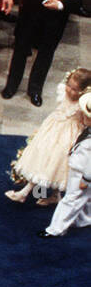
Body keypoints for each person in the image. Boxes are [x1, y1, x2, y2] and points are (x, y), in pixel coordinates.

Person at [8, 69, 91, 205]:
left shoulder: (83, 104)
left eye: (75, 89)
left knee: (57, 164)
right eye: (69, 86)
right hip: (52, 129)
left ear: (83, 91)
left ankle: (48, 195)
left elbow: (85, 121)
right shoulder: (62, 92)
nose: (69, 91)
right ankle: (31, 192)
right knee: (43, 158)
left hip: (68, 136)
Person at [41, 93, 91, 237]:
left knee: (70, 199)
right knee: (85, 198)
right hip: (79, 170)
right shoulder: (88, 131)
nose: (83, 117)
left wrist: (86, 180)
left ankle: (56, 229)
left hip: (83, 174)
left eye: (87, 117)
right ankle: (84, 220)